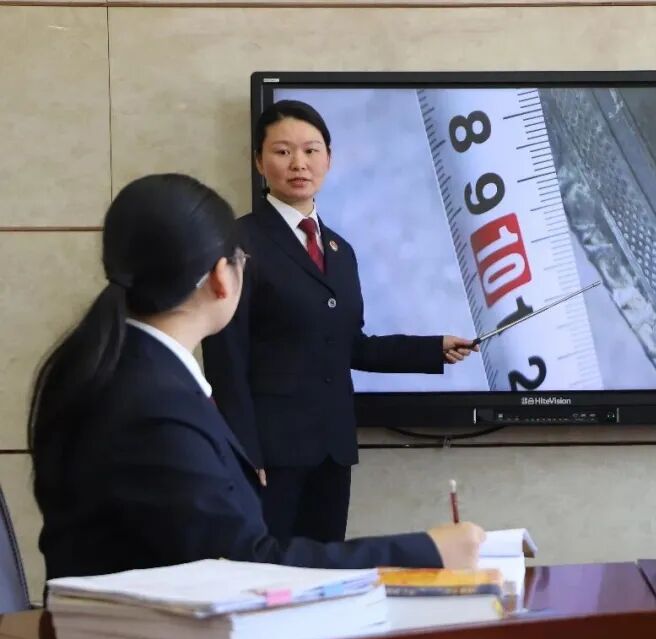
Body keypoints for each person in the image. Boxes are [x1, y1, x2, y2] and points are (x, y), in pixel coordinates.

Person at [29, 173, 485, 581]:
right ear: (220, 277)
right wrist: (426, 552)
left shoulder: (119, 368)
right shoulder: (156, 405)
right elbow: (241, 566)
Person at [202, 101, 476, 544]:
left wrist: (431, 349)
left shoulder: (339, 250)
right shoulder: (239, 242)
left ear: (328, 158)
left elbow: (352, 345)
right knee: (268, 573)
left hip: (331, 452)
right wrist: (244, 453)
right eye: (282, 151)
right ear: (259, 161)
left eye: (311, 150)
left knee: (327, 571)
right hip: (270, 455)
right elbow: (225, 359)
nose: (298, 163)